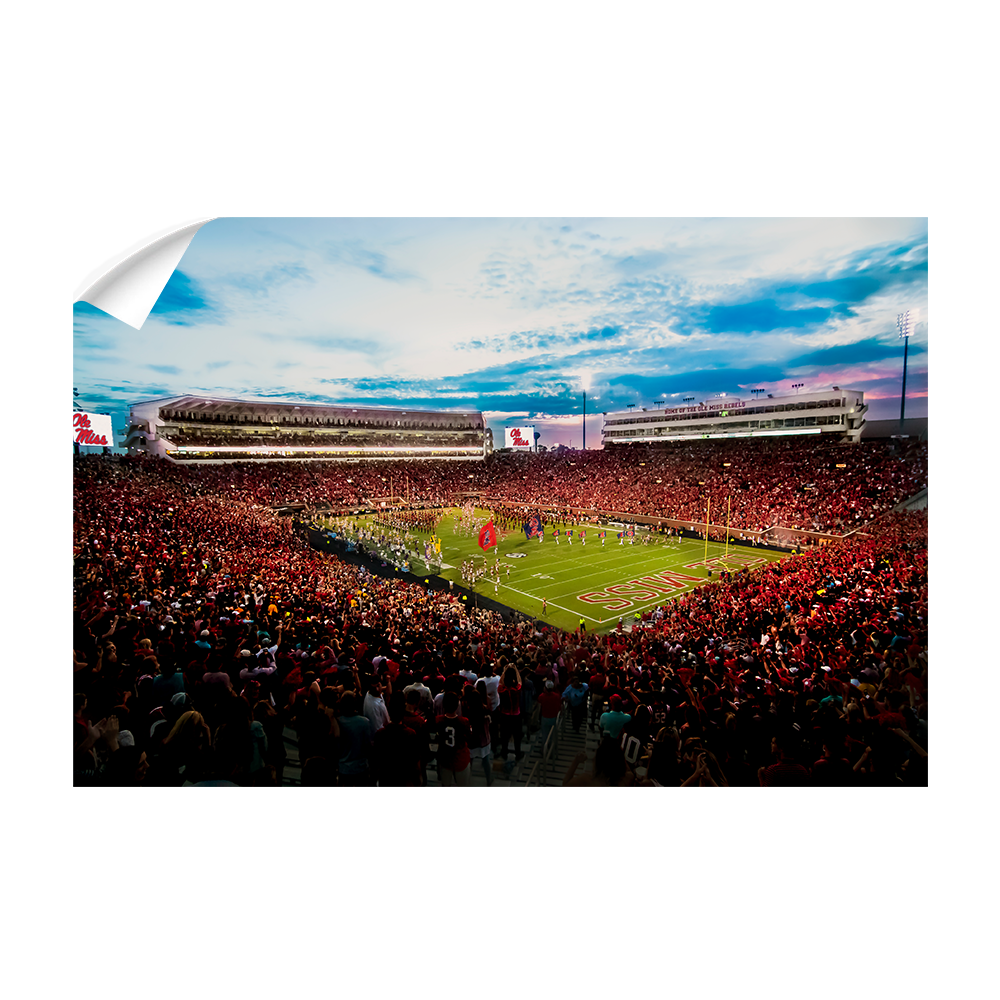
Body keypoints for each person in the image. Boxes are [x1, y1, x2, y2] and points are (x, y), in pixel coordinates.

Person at [435, 690, 472, 786]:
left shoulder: (438, 720)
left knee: (445, 784)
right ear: (457, 705)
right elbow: (469, 738)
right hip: (460, 759)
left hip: (445, 759)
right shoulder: (464, 721)